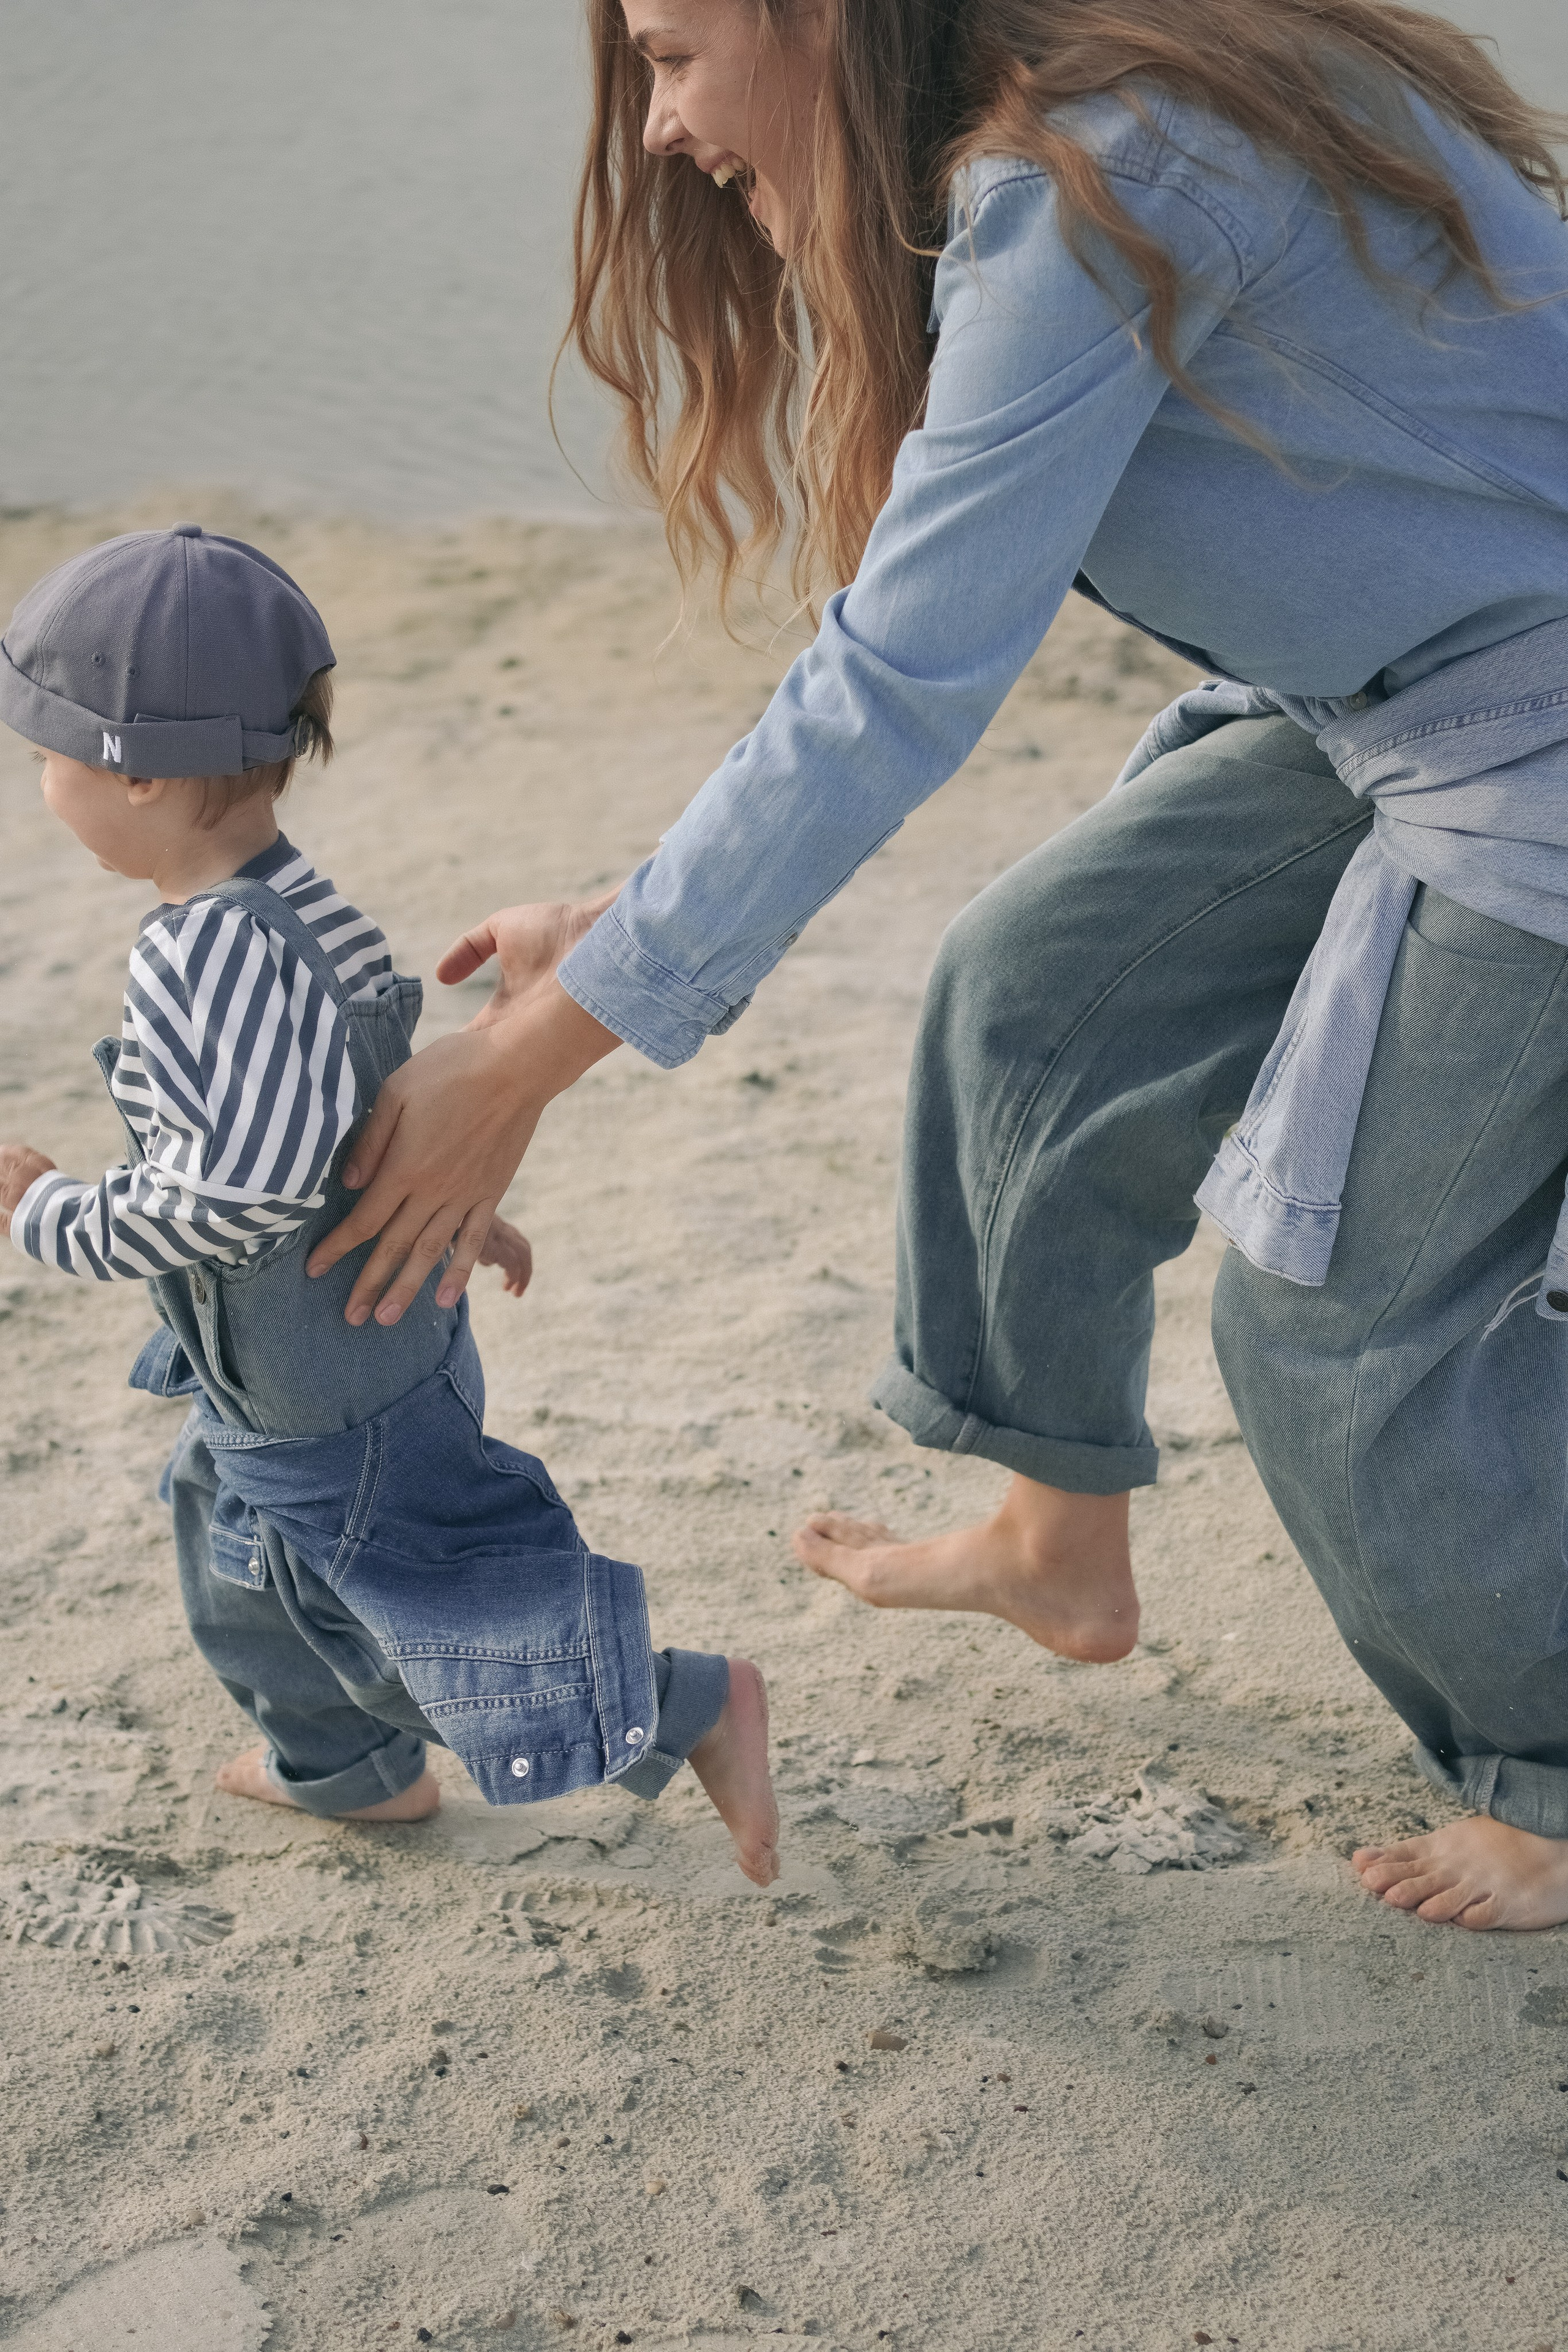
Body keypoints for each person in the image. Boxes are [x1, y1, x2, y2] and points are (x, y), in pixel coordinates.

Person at [301, 0, 1568, 1932]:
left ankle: (1553, 1778)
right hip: (1391, 689)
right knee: (1034, 993)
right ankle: (1062, 1539)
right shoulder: (1085, 123)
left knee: (1328, 1328)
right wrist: (635, 911)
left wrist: (539, 1054)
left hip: (1535, 735)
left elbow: (898, 686)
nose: (655, 127)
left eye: (669, 53)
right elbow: (889, 668)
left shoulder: (1097, 182)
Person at [0, 524, 778, 1886]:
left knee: (388, 1616)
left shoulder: (200, 956)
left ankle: (682, 1704)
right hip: (329, 1337)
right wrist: (462, 1214)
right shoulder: (298, 905)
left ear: (128, 775)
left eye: (46, 760)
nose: (42, 785)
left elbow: (235, 1190)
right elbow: (349, 1111)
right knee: (233, 1556)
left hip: (319, 1371)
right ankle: (348, 1777)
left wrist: (52, 1213)